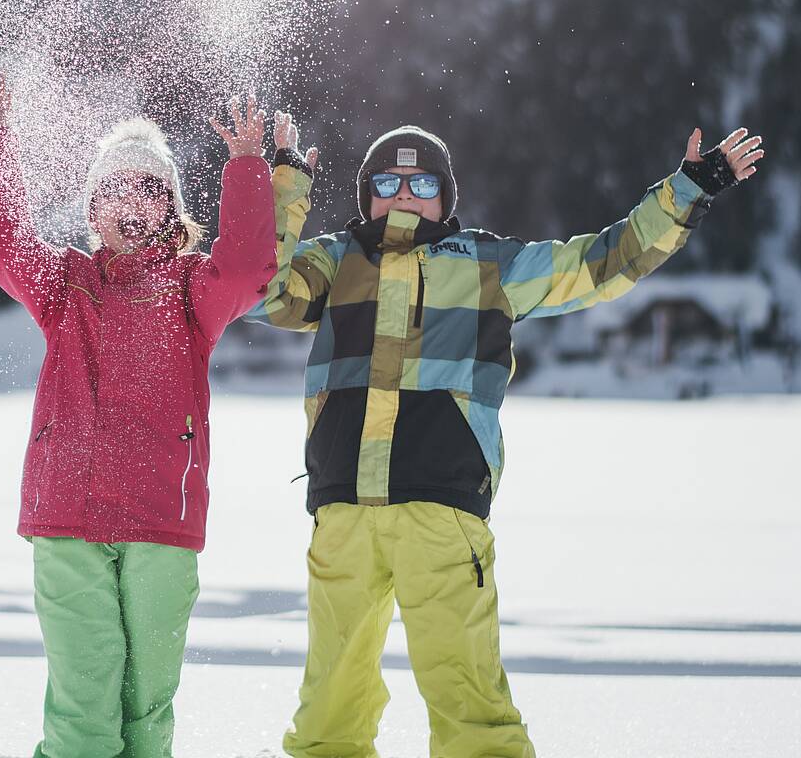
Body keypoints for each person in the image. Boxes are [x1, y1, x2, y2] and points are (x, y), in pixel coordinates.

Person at [250, 114, 765, 758]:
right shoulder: (332, 261)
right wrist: (284, 187)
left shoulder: (490, 265)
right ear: (365, 195)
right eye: (386, 181)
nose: (403, 194)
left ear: (446, 196)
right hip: (343, 509)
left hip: (443, 509)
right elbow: (264, 292)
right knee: (330, 707)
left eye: (421, 184)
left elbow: (603, 263)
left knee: (470, 703)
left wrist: (688, 189)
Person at [0, 79, 281, 758]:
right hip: (68, 522)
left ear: (170, 207)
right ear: (92, 209)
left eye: (147, 189)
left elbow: (251, 267)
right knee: (84, 706)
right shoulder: (63, 285)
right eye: (113, 190)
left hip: (160, 525)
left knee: (146, 711)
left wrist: (247, 166)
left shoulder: (195, 289)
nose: (129, 204)